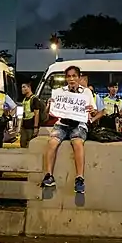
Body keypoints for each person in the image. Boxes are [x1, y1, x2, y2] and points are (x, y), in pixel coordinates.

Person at [41, 66, 95, 194]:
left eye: (74, 76)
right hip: (62, 124)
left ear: (79, 77)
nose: (71, 79)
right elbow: (50, 112)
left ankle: (79, 178)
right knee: (52, 143)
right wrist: (50, 104)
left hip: (79, 124)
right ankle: (49, 176)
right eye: (69, 76)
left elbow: (93, 110)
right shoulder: (60, 92)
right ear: (66, 78)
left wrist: (92, 110)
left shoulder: (86, 92)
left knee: (77, 143)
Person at [20, 81, 40, 148]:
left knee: (30, 146)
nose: (22, 89)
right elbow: (24, 112)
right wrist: (21, 125)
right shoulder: (25, 99)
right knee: (22, 144)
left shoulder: (34, 99)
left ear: (29, 87)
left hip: (31, 126)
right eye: (22, 87)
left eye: (24, 87)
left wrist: (35, 127)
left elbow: (36, 113)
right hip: (24, 126)